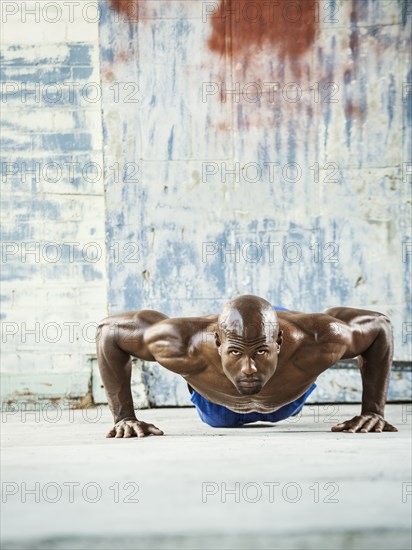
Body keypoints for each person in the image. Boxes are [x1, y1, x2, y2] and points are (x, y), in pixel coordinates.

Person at [95, 294, 397, 437]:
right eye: (236, 353)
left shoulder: (318, 339)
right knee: (220, 419)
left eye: (262, 352)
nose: (250, 367)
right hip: (216, 406)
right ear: (217, 343)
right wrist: (124, 417)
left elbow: (379, 328)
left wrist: (373, 411)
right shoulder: (182, 342)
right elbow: (109, 333)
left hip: (285, 401)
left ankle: (268, 323)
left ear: (278, 342)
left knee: (281, 326)